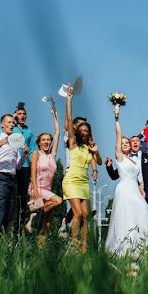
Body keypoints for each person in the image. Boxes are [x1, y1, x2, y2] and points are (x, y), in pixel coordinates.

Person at [105, 105, 148, 255]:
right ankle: (121, 248)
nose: (124, 144)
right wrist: (117, 118)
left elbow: (137, 179)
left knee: (142, 210)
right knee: (125, 216)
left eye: (127, 143)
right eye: (123, 143)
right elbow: (118, 135)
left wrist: (141, 190)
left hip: (134, 189)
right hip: (124, 188)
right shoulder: (119, 158)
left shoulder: (133, 160)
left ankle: (139, 247)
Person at [61, 85, 101, 251]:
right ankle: (73, 246)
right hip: (71, 180)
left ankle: (83, 248)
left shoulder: (88, 148)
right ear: (78, 131)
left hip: (83, 183)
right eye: (81, 130)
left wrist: (96, 152)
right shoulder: (73, 143)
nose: (83, 132)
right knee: (77, 214)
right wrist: (69, 100)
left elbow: (97, 162)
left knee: (85, 217)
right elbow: (70, 121)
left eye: (86, 130)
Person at [0, 113, 30, 240]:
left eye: (13, 123)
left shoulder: (15, 143)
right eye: (9, 122)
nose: (11, 125)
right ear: (2, 124)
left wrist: (25, 155)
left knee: (10, 213)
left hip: (12, 179)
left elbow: (18, 166)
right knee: (0, 210)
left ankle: (3, 242)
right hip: (0, 178)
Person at [30, 107, 63, 244]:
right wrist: (36, 191)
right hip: (36, 189)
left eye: (48, 140)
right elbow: (32, 173)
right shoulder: (36, 154)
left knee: (47, 223)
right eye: (43, 140)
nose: (46, 142)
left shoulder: (51, 155)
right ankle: (37, 215)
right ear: (39, 142)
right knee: (58, 201)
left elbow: (57, 133)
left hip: (47, 190)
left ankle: (41, 246)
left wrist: (55, 117)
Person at [13, 102, 36, 235]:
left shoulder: (29, 131)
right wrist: (13, 115)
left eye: (24, 114)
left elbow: (32, 149)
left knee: (22, 196)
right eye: (19, 114)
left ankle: (20, 227)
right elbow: (3, 132)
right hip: (13, 166)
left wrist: (33, 167)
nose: (22, 116)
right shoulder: (12, 128)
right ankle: (10, 226)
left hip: (25, 166)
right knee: (13, 196)